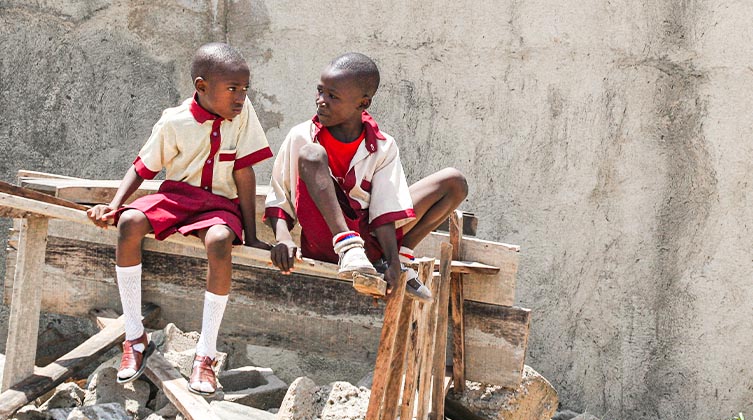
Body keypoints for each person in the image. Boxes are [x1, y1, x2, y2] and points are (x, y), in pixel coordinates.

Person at [86, 42, 272, 396]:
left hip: (219, 205)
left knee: (219, 241)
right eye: (233, 89)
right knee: (128, 223)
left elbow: (245, 172)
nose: (240, 97)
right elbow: (143, 167)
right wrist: (114, 204)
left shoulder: (243, 113)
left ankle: (205, 355)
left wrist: (250, 234)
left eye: (245, 89)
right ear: (201, 87)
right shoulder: (174, 120)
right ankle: (135, 338)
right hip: (177, 197)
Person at [264, 52, 467, 301]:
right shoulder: (302, 136)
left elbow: (384, 209)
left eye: (332, 96)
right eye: (320, 91)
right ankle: (348, 246)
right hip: (327, 238)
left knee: (454, 182)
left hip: (369, 243)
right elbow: (279, 196)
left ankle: (400, 260)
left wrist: (392, 261)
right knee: (312, 155)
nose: (321, 101)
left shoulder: (383, 145)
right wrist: (283, 238)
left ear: (363, 104)